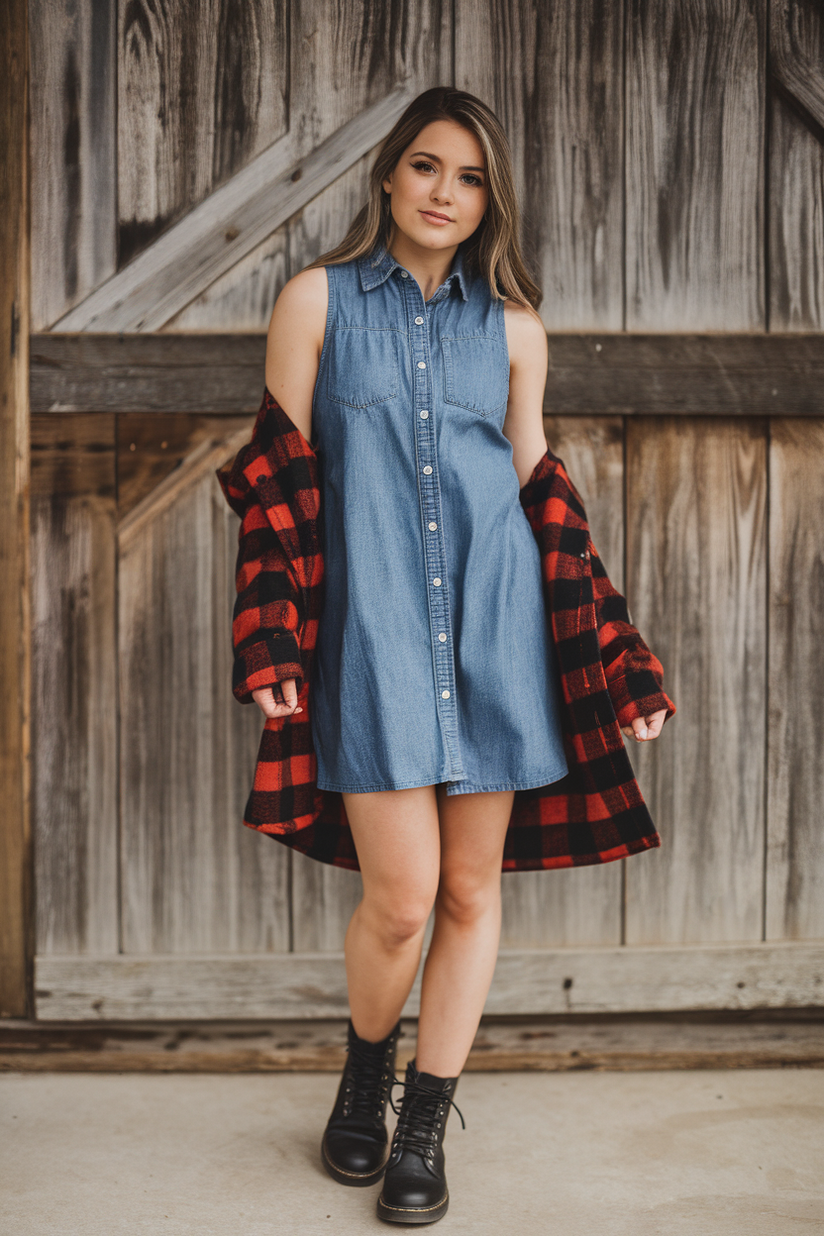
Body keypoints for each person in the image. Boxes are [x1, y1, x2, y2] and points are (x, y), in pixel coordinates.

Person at [227, 86, 672, 1226]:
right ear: (387, 177)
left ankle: (423, 1119)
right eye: (426, 168)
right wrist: (269, 629)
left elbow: (543, 499)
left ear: (489, 201)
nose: (444, 194)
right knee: (401, 900)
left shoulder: (514, 328)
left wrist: (615, 653)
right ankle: (364, 1071)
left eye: (469, 179)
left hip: (498, 638)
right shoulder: (315, 303)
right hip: (370, 639)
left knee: (470, 892)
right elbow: (276, 485)